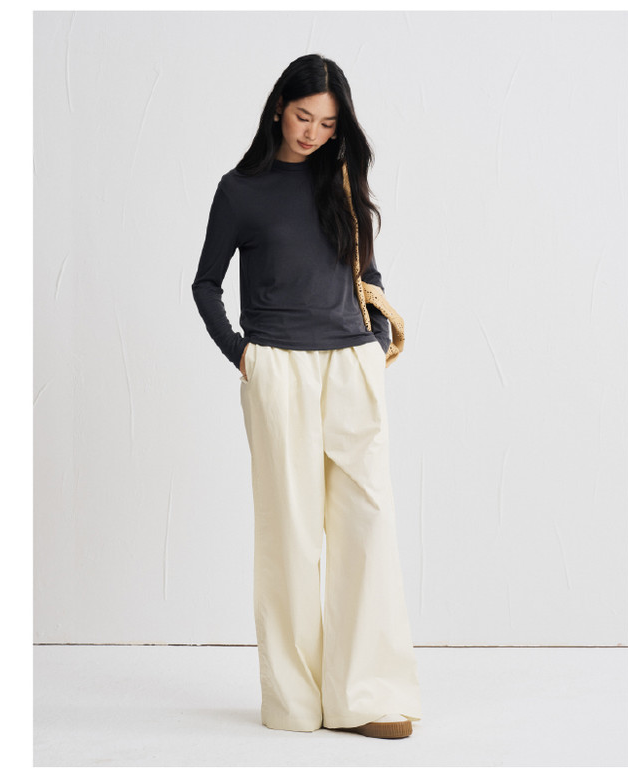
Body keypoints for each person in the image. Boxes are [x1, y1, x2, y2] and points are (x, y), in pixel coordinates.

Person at [191, 54, 422, 739]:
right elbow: (205, 283)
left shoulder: (343, 180)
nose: (313, 133)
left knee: (366, 526)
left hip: (351, 365)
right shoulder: (239, 190)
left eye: (326, 123)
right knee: (289, 535)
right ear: (277, 109)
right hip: (279, 369)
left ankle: (366, 695)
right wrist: (242, 354)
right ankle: (293, 701)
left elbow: (367, 270)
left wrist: (374, 341)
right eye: (303, 117)